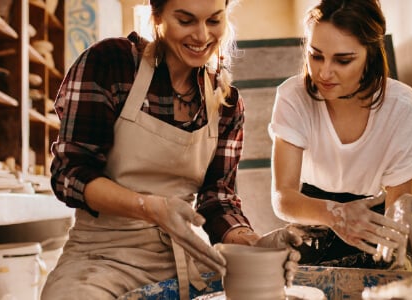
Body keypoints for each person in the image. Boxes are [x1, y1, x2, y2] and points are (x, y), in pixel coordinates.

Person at [41, 0, 302, 299]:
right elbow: (69, 174)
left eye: (214, 21)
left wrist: (252, 243)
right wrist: (150, 208)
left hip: (184, 262)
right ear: (157, 16)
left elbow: (217, 199)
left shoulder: (226, 101)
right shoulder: (111, 64)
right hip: (99, 260)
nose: (202, 36)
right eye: (186, 20)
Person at [269, 0, 412, 271]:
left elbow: (397, 208)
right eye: (316, 55)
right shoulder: (293, 97)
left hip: (377, 222)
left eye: (343, 60)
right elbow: (283, 198)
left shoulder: (404, 109)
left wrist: (400, 226)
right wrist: (336, 216)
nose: (324, 72)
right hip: (312, 213)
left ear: (371, 54)